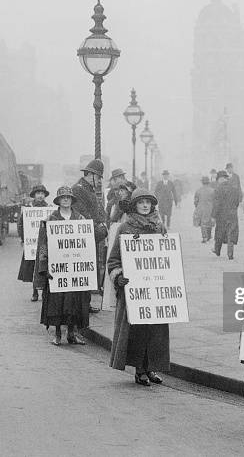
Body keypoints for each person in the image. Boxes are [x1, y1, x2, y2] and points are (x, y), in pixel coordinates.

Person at [107, 188, 170, 386]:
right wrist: (119, 277)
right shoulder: (125, 228)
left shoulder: (160, 228)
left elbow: (168, 256)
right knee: (138, 331)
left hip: (155, 289)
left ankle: (151, 368)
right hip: (134, 291)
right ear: (134, 205)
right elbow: (113, 261)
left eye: (148, 202)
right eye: (141, 202)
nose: (145, 205)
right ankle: (139, 370)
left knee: (155, 331)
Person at [34, 186, 91, 346]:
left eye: (68, 197)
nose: (66, 200)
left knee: (74, 302)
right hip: (57, 270)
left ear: (72, 200)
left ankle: (72, 333)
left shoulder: (80, 219)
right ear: (58, 200)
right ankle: (58, 334)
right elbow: (43, 245)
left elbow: (85, 244)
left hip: (74, 270)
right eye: (62, 197)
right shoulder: (50, 220)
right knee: (57, 302)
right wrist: (44, 267)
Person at [72, 159, 109, 313]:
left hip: (91, 235)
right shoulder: (79, 189)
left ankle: (85, 304)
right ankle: (80, 306)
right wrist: (98, 225)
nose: (100, 180)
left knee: (88, 270)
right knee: (82, 270)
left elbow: (99, 210)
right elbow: (82, 213)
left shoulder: (88, 189)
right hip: (84, 236)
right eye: (98, 177)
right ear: (90, 175)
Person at [102, 182, 136, 310]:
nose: (121, 192)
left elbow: (114, 218)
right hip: (115, 232)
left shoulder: (126, 205)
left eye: (124, 190)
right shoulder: (116, 203)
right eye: (120, 190)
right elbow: (111, 218)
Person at [17, 184, 50, 301]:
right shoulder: (28, 208)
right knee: (32, 267)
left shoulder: (49, 209)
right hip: (31, 243)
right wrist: (23, 238)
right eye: (38, 193)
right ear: (34, 195)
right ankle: (35, 292)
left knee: (44, 266)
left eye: (42, 193)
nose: (40, 196)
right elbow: (21, 224)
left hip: (43, 243)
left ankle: (45, 291)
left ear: (45, 195)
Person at [211, 170, 240, 259]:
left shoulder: (218, 189)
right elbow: (237, 202)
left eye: (218, 179)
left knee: (219, 232)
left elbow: (216, 204)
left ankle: (217, 251)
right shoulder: (234, 188)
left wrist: (213, 216)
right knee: (231, 233)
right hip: (232, 214)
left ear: (221, 179)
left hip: (221, 215)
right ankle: (230, 254)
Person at [193, 176, 214, 243]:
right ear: (208, 182)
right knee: (209, 222)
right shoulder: (212, 190)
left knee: (203, 223)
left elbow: (196, 201)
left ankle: (204, 237)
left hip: (201, 208)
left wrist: (197, 206)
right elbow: (215, 201)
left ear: (202, 182)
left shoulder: (198, 191)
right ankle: (209, 236)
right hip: (210, 209)